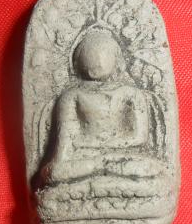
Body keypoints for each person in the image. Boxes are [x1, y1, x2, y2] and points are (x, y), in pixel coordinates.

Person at [41, 31, 164, 185]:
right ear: (77, 61)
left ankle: (101, 169)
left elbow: (139, 137)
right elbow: (64, 146)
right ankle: (104, 169)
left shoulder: (131, 94)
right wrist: (62, 163)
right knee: (55, 172)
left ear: (117, 59)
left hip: (121, 155)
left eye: (104, 53)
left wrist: (101, 148)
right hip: (84, 156)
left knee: (147, 167)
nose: (97, 61)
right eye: (88, 54)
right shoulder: (72, 96)